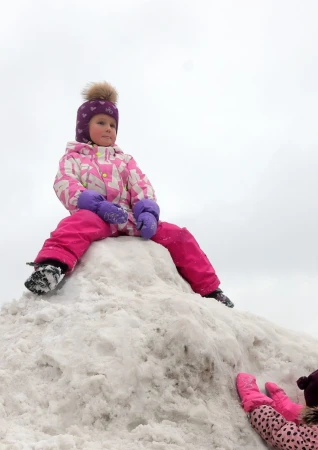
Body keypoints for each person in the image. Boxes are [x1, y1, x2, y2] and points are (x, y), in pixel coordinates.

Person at [24, 82, 233, 307]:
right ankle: (51, 267)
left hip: (131, 220)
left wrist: (148, 213)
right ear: (85, 127)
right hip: (98, 216)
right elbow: (65, 183)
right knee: (75, 225)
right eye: (101, 122)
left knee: (179, 236)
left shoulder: (125, 161)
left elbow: (142, 186)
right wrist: (94, 205)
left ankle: (211, 290)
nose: (108, 129)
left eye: (113, 125)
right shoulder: (74, 158)